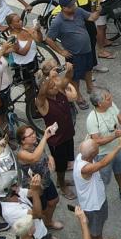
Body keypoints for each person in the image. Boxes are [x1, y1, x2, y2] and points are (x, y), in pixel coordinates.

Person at [73, 136, 121, 239]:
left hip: (99, 199)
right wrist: (118, 146)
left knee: (100, 223)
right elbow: (103, 163)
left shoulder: (81, 155)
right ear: (93, 154)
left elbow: (91, 145)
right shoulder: (85, 168)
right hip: (92, 205)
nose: (99, 147)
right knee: (94, 229)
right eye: (97, 148)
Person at [84, 87, 121, 205]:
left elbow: (119, 116)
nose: (111, 99)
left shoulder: (111, 105)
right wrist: (114, 136)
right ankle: (99, 201)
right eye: (108, 99)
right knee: (103, 179)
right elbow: (97, 141)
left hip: (117, 147)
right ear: (100, 103)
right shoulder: (92, 119)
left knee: (120, 170)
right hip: (103, 155)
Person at [44, 0, 101, 109]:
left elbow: (91, 18)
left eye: (74, 4)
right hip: (74, 54)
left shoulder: (78, 11)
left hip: (87, 49)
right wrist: (61, 51)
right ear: (64, 8)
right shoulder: (58, 22)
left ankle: (90, 87)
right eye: (71, 6)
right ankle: (78, 96)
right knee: (75, 77)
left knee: (89, 69)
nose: (74, 7)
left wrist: (98, 10)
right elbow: (48, 39)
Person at [35, 59, 78, 200]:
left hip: (67, 134)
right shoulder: (42, 102)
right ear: (44, 87)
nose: (55, 85)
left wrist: (69, 69)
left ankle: (62, 180)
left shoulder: (59, 90)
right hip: (57, 141)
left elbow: (67, 78)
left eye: (55, 83)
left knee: (66, 162)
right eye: (50, 85)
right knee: (60, 167)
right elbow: (41, 94)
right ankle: (62, 185)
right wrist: (48, 77)